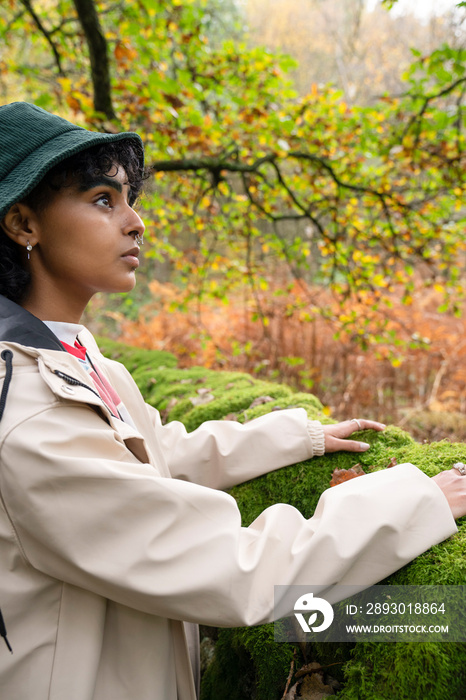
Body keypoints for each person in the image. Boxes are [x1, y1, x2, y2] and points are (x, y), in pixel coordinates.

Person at [0, 101, 463, 700]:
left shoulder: (71, 355)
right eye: (101, 201)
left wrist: (298, 438)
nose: (135, 222)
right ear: (23, 224)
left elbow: (152, 452)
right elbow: (234, 568)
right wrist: (414, 497)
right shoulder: (29, 409)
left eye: (128, 199)